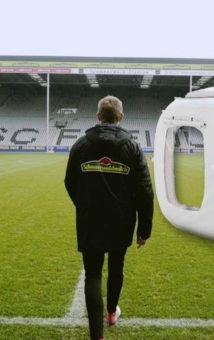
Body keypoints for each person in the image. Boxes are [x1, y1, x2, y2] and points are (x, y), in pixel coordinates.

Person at [64, 95, 154, 340]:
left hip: (89, 220)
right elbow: (145, 189)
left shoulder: (81, 145)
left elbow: (69, 182)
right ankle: (112, 312)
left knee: (92, 274)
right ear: (121, 117)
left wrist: (83, 206)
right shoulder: (132, 147)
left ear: (98, 117)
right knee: (116, 267)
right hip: (121, 221)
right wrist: (144, 228)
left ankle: (97, 336)